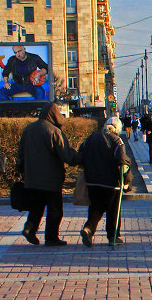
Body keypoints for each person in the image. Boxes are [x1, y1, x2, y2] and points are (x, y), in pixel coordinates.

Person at [17, 103, 81, 246]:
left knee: (36, 207)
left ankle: (29, 228)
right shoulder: (54, 131)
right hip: (51, 179)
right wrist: (80, 158)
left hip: (32, 178)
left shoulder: (29, 129)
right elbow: (66, 154)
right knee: (55, 210)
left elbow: (20, 153)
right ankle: (51, 238)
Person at [78, 117, 132, 247]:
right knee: (113, 210)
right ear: (117, 129)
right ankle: (113, 236)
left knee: (96, 207)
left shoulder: (90, 138)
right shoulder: (117, 141)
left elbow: (80, 156)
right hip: (111, 182)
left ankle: (88, 229)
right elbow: (122, 161)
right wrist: (127, 180)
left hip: (92, 181)